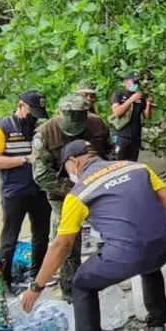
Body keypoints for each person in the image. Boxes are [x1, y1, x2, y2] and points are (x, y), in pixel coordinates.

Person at [21, 140, 166, 331]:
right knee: (149, 264)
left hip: (128, 253)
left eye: (68, 168)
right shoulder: (136, 167)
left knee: (82, 283)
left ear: (74, 162)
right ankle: (157, 327)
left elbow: (61, 245)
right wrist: (153, 225)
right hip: (163, 243)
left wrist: (37, 286)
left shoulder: (78, 194)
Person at [32, 94, 110, 300]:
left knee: (112, 233)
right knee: (66, 243)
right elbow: (41, 175)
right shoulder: (45, 133)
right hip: (63, 194)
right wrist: (72, 188)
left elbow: (111, 155)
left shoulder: (97, 125)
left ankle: (109, 276)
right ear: (60, 114)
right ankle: (70, 289)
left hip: (98, 189)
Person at [0, 90, 51, 292]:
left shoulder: (40, 128)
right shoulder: (1, 129)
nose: (34, 117)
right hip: (15, 193)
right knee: (9, 239)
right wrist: (23, 159)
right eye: (32, 112)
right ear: (21, 106)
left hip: (40, 190)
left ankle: (38, 275)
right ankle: (5, 284)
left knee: (41, 235)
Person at [110, 71, 152, 161]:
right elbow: (116, 112)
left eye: (137, 82)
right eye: (134, 82)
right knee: (118, 162)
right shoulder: (118, 94)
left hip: (135, 137)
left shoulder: (140, 97)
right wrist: (130, 100)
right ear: (125, 82)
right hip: (121, 135)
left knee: (132, 162)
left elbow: (147, 116)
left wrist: (148, 104)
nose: (136, 84)